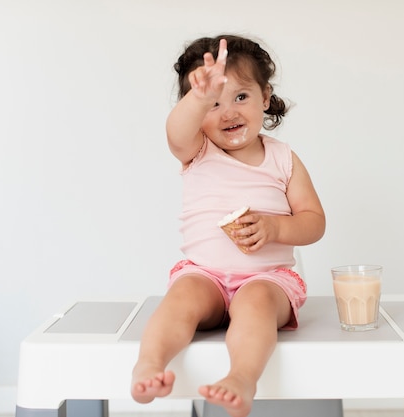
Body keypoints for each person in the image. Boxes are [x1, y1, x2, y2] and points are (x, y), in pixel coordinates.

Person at [131, 34, 325, 417]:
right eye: (212, 103)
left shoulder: (283, 158)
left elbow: (314, 221)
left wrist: (276, 228)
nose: (227, 112)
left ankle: (241, 378)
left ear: (265, 97)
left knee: (255, 304)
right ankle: (149, 364)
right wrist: (197, 99)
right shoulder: (197, 151)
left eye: (240, 97)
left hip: (267, 279)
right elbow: (175, 130)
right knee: (181, 298)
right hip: (206, 274)